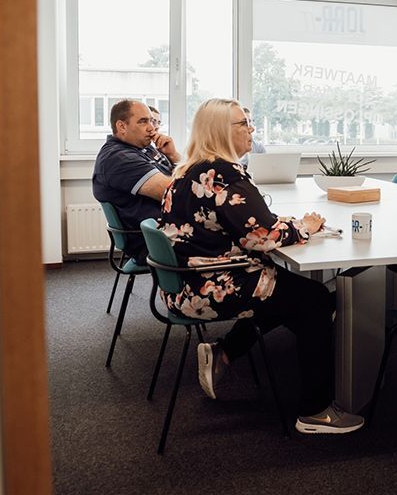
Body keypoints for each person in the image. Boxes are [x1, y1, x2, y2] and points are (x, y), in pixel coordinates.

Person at [159, 98, 364, 434]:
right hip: (214, 285)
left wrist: (282, 224)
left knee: (291, 293)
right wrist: (305, 227)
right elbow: (263, 237)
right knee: (314, 300)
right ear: (221, 130)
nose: (251, 130)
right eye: (244, 123)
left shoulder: (187, 171)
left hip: (185, 284)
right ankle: (315, 413)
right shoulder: (225, 175)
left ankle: (226, 352)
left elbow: (243, 224)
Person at [92, 100, 180, 260]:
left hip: (168, 227)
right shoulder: (119, 157)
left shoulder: (144, 148)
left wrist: (173, 156)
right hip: (155, 241)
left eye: (152, 121)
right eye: (143, 121)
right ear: (122, 126)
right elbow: (174, 193)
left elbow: (182, 183)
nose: (152, 128)